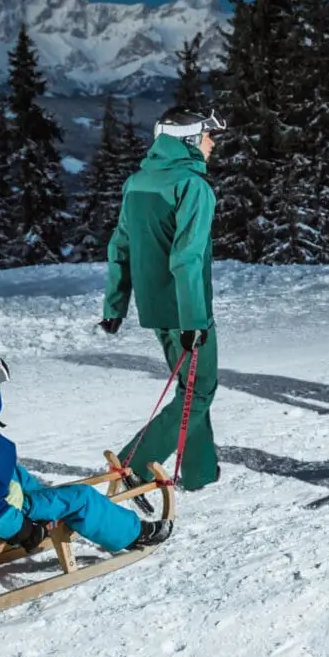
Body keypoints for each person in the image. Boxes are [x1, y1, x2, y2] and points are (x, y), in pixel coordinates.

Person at [0, 353, 168, 551]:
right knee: (82, 497)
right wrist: (23, 531)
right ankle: (134, 534)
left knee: (9, 472)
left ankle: (41, 499)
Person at [98, 107, 224, 490]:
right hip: (186, 310)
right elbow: (187, 257)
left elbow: (120, 245)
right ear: (187, 140)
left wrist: (114, 306)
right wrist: (193, 322)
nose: (212, 143)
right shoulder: (193, 187)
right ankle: (133, 465)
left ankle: (201, 471)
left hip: (154, 308)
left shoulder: (137, 182)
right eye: (207, 135)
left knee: (190, 389)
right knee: (199, 391)